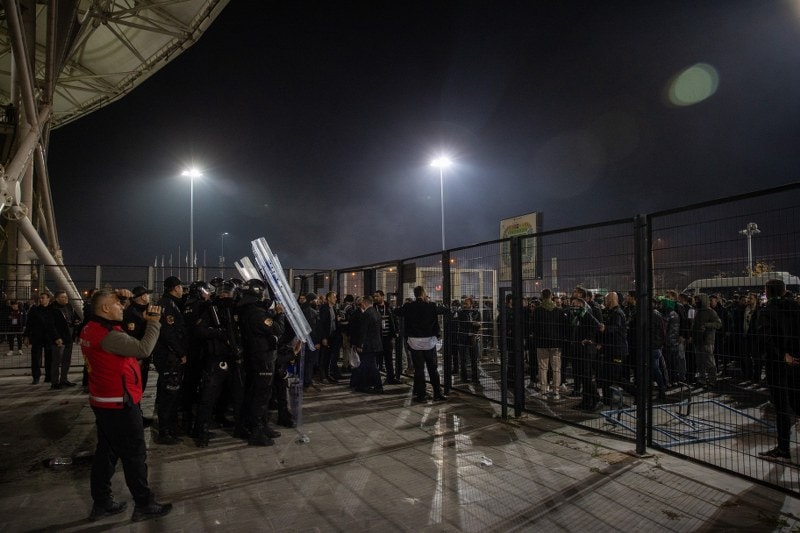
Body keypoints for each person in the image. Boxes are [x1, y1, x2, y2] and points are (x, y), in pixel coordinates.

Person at [81, 288, 172, 522]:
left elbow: (110, 314)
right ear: (104, 309)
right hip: (120, 404)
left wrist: (122, 299)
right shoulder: (111, 337)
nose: (122, 306)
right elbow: (143, 349)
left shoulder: (91, 328)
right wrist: (153, 323)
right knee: (134, 455)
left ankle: (101, 501)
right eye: (117, 304)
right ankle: (144, 503)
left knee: (107, 453)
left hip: (103, 401)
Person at [238, 279, 285, 446]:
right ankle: (257, 430)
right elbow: (277, 330)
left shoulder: (246, 309)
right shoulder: (257, 313)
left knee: (254, 392)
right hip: (262, 357)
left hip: (254, 356)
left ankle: (257, 425)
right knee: (261, 395)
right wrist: (279, 315)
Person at [757, 279, 800, 460]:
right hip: (797, 362)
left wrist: (782, 355)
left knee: (782, 408)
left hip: (778, 365)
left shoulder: (767, 312)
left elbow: (766, 338)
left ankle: (783, 448)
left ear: (768, 292)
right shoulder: (796, 308)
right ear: (784, 291)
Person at [152, 276, 187, 445]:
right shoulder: (167, 305)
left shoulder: (168, 303)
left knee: (170, 391)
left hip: (168, 355)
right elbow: (168, 333)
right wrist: (181, 353)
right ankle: (164, 431)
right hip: (168, 356)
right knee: (168, 392)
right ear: (175, 288)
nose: (182, 290)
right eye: (181, 287)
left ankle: (171, 426)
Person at [395, 286, 445, 402]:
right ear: (423, 293)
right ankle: (437, 393)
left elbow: (397, 311)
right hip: (429, 341)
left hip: (414, 341)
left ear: (414, 294)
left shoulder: (409, 307)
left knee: (419, 369)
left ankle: (421, 395)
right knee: (432, 368)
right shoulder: (431, 306)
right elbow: (444, 310)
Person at [123, 286, 155, 393]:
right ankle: (136, 407)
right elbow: (132, 337)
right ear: (143, 297)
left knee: (142, 382)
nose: (149, 296)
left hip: (143, 353)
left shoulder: (143, 310)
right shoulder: (132, 313)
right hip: (137, 355)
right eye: (147, 294)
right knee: (137, 384)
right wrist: (137, 358)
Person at [49, 290, 81, 389]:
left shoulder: (69, 307)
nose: (65, 299)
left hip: (69, 338)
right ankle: (54, 382)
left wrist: (75, 329)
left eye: (66, 297)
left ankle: (64, 379)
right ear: (57, 298)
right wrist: (56, 337)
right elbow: (50, 326)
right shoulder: (52, 309)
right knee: (56, 361)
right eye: (63, 297)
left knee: (66, 360)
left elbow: (74, 319)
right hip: (59, 340)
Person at [690, 293, 722, 389]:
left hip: (707, 340)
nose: (696, 302)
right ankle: (702, 379)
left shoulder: (710, 312)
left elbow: (718, 324)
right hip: (698, 340)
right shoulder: (697, 311)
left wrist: (706, 325)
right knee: (700, 362)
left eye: (698, 300)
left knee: (709, 362)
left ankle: (712, 380)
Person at [355, 295, 384, 394]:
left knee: (371, 366)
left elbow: (363, 332)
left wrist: (359, 345)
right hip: (376, 344)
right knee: (368, 365)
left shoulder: (366, 314)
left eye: (362, 302)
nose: (361, 304)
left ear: (365, 302)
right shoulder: (376, 313)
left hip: (368, 345)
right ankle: (365, 385)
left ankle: (377, 386)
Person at [24, 292, 53, 384]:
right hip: (37, 337)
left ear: (48, 299)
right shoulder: (34, 310)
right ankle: (36, 377)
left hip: (49, 337)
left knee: (49, 358)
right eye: (40, 298)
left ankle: (48, 376)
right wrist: (26, 336)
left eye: (43, 298)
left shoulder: (53, 310)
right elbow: (29, 324)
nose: (41, 300)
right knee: (36, 358)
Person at [373, 290, 400, 384]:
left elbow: (395, 320)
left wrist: (396, 331)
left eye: (377, 296)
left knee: (389, 359)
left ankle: (390, 378)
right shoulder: (373, 308)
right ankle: (376, 379)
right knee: (376, 359)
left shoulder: (389, 307)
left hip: (387, 338)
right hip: (377, 338)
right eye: (374, 296)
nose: (375, 298)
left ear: (382, 297)